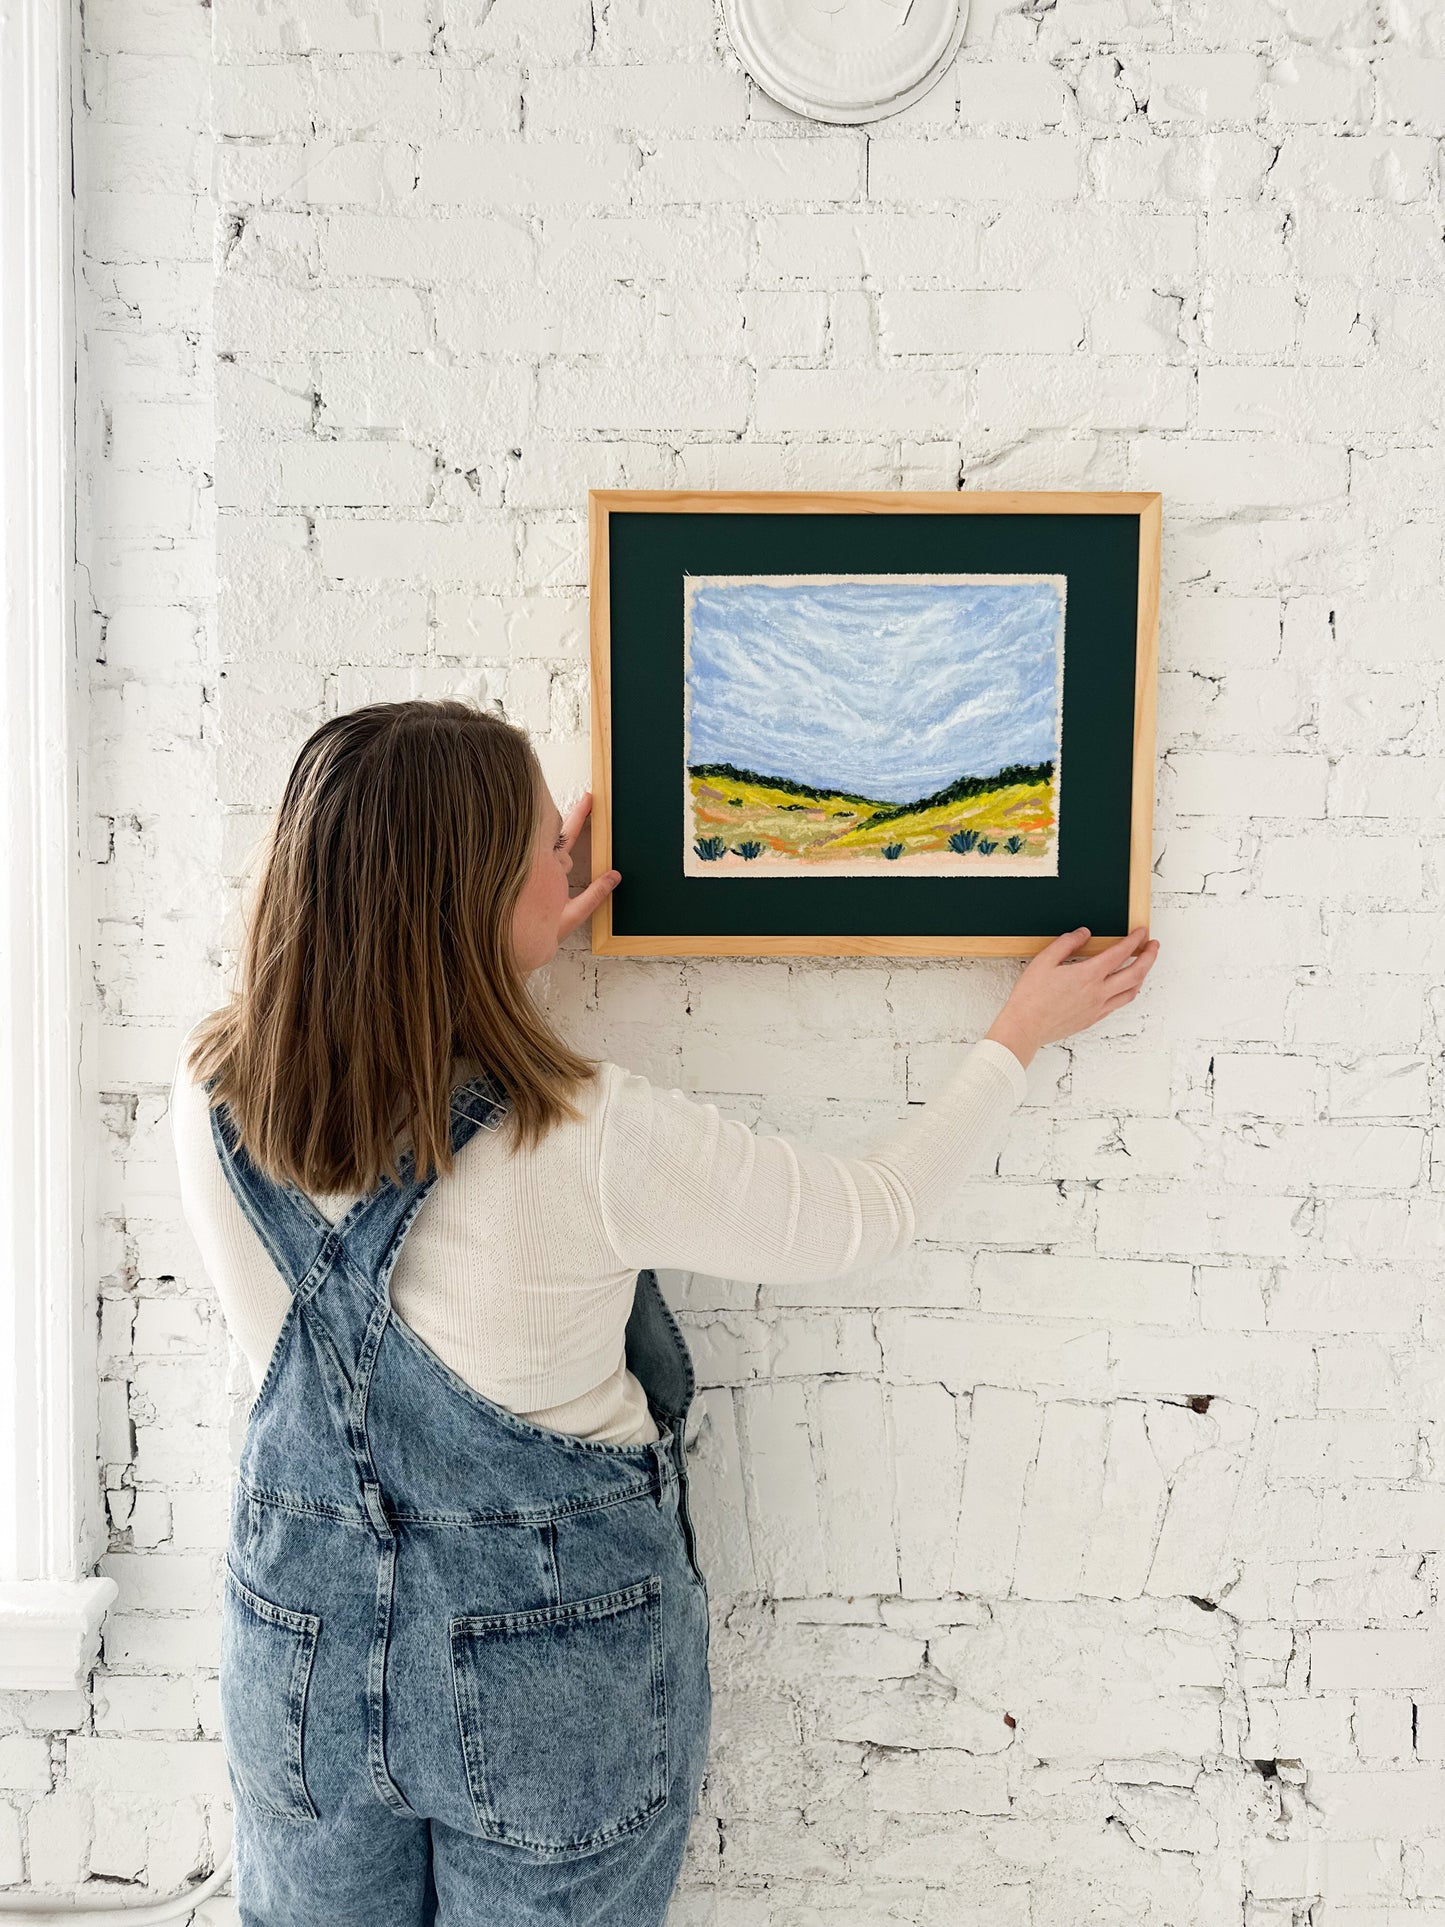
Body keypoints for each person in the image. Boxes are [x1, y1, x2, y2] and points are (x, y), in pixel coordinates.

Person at [170, 697, 1160, 1927]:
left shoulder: (209, 1096)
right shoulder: (585, 1135)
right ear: (469, 899)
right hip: (545, 1680)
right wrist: (1015, 1036)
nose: (564, 860)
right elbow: (865, 1213)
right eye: (541, 848)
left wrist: (510, 946)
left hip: (297, 1665)